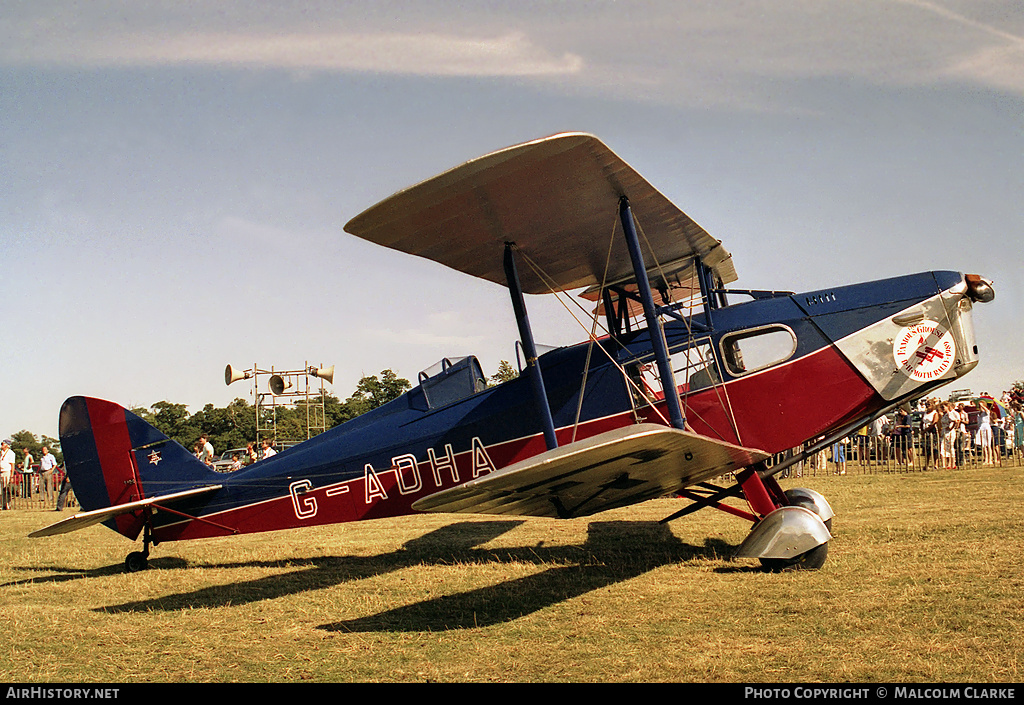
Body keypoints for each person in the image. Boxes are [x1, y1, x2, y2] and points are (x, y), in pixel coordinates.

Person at [1, 439, 15, 510]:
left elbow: (12, 465)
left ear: (7, 445)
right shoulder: (1, 453)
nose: (1, 445)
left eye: (2, 444)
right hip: (1, 472)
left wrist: (11, 475)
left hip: (7, 472)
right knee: (1, 490)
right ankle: (2, 504)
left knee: (6, 489)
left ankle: (7, 504)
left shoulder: (10, 453)